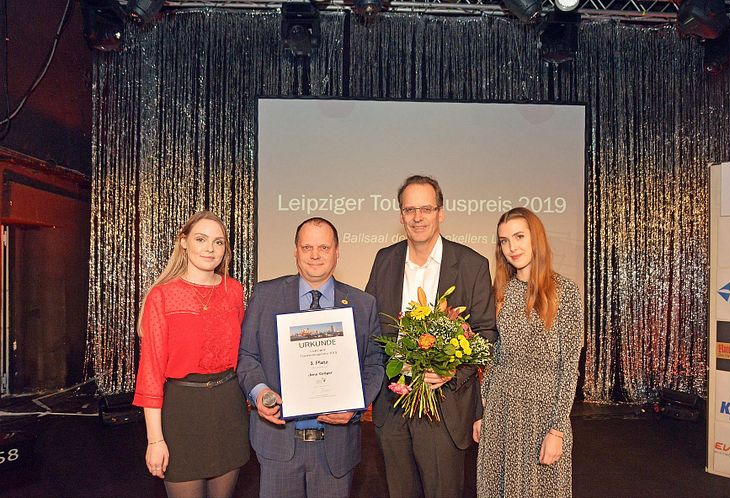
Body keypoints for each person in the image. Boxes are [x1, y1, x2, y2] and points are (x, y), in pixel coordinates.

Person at [365, 175, 498, 498]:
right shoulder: (385, 259)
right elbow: (369, 329)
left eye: (426, 208)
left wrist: (451, 370)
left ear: (441, 212)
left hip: (444, 407)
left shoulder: (471, 264)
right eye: (410, 209)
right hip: (392, 407)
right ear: (400, 215)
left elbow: (486, 334)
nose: (417, 217)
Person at [237, 217, 384, 498]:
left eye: (324, 247)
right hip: (279, 445)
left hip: (335, 451)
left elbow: (374, 363)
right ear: (295, 251)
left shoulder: (363, 304)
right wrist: (259, 393)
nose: (315, 255)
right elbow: (247, 355)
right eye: (307, 247)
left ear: (337, 253)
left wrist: (355, 405)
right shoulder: (265, 295)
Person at [133, 211, 250, 498]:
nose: (210, 248)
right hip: (181, 413)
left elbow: (245, 352)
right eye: (201, 239)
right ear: (183, 242)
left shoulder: (233, 290)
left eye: (219, 242)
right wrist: (155, 439)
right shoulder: (162, 295)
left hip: (228, 407)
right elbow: (151, 371)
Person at [473, 207, 583, 498]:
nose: (512, 247)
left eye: (519, 236)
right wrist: (483, 409)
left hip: (543, 411)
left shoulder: (566, 292)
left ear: (536, 238)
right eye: (505, 241)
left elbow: (569, 366)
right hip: (501, 408)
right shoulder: (500, 291)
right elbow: (495, 357)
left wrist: (557, 429)